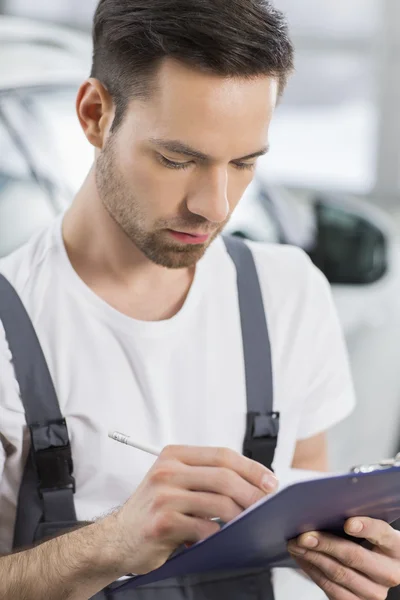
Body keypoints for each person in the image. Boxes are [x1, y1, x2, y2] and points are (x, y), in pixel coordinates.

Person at [0, 1, 400, 599]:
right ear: (94, 115)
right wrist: (113, 543)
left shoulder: (287, 291)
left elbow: (307, 512)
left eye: (244, 163)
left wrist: (352, 566)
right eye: (177, 159)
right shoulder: (12, 325)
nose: (214, 206)